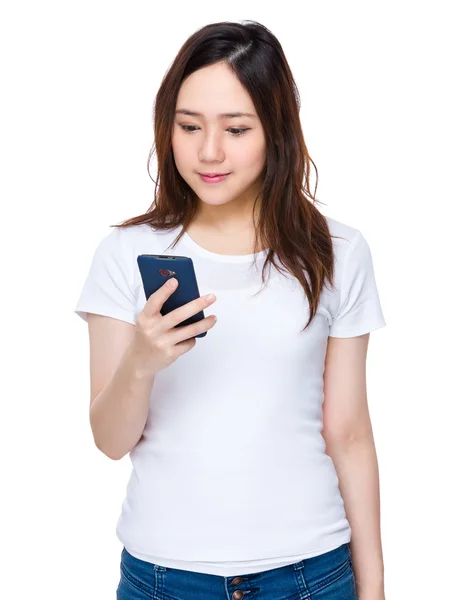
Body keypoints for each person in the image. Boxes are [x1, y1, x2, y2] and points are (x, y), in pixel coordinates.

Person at [74, 20, 386, 600]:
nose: (209, 151)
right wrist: (140, 361)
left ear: (276, 130)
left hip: (311, 575)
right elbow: (110, 440)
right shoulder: (125, 253)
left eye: (236, 129)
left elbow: (348, 432)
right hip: (165, 579)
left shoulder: (337, 252)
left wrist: (374, 589)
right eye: (188, 126)